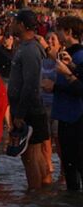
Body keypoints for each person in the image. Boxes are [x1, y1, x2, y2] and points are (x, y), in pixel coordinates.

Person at [8, 9, 52, 190]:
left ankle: (34, 195)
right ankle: (43, 193)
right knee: (34, 153)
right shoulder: (26, 47)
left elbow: (31, 85)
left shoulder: (30, 50)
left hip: (30, 111)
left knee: (30, 155)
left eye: (14, 21)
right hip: (30, 109)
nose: (11, 24)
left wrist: (19, 113)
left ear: (22, 25)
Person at [44, 16, 83, 191]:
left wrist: (55, 87)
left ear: (68, 32)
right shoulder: (71, 55)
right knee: (68, 166)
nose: (57, 33)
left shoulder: (80, 55)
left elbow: (80, 89)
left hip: (76, 117)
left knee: (75, 165)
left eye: (60, 30)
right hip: (66, 116)